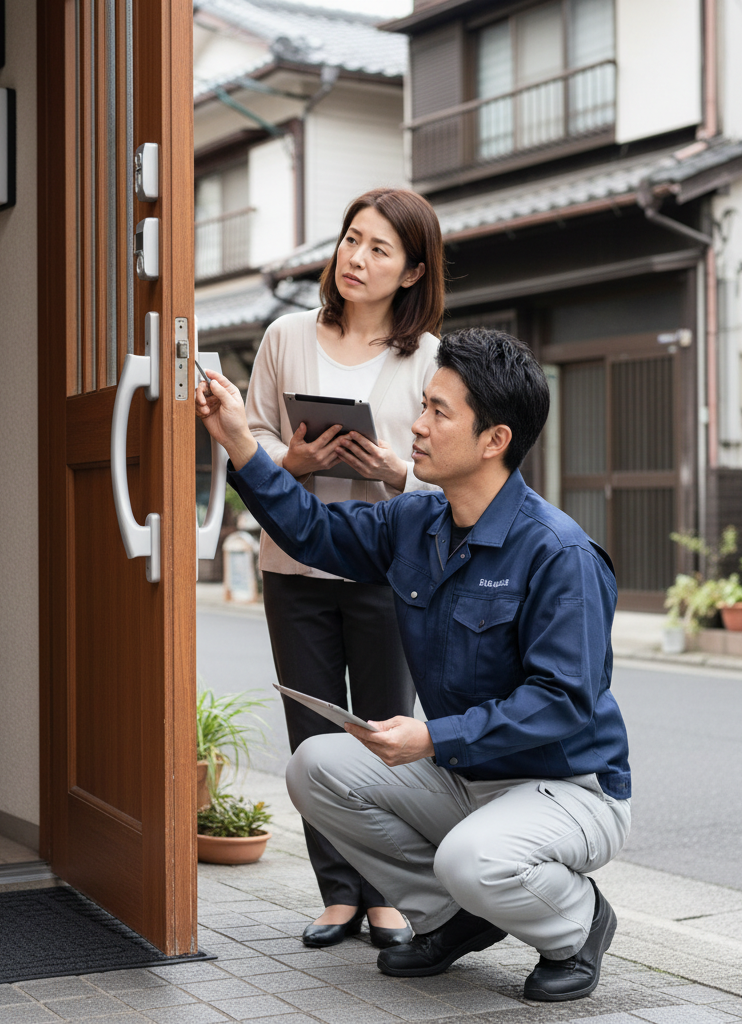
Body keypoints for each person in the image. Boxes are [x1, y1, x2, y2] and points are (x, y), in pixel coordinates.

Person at [195, 328, 632, 1003]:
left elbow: (562, 702)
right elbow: (313, 532)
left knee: (471, 858)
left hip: (569, 788)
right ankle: (453, 917)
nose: (418, 426)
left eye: (438, 412)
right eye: (423, 405)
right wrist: (240, 443)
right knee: (316, 766)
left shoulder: (558, 554)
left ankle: (577, 924)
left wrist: (431, 736)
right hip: (468, 772)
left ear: (494, 440)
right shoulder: (416, 521)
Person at [243, 187, 445, 949]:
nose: (356, 258)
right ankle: (337, 893)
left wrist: (396, 472)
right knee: (313, 736)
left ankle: (388, 892)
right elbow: (252, 435)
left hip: (389, 572)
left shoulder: (429, 358)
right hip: (294, 565)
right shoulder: (286, 336)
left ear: (413, 271)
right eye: (351, 239)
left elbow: (445, 471)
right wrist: (293, 460)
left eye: (379, 248)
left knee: (388, 734)